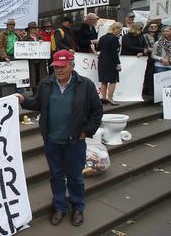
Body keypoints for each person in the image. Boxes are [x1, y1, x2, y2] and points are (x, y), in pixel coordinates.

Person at [17, 50, 103, 227]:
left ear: (72, 65)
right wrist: (23, 100)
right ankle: (59, 207)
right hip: (51, 140)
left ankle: (77, 207)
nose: (59, 70)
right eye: (56, 67)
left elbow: (97, 111)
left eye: (62, 67)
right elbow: (38, 104)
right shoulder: (46, 83)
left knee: (75, 177)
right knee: (55, 175)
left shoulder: (85, 85)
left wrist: (87, 131)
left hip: (74, 141)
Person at [98, 22, 123, 106]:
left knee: (103, 81)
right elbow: (114, 53)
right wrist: (118, 64)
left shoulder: (102, 37)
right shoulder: (114, 38)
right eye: (120, 29)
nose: (120, 31)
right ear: (115, 29)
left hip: (101, 61)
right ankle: (110, 98)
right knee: (113, 80)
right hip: (111, 62)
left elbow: (99, 48)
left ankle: (104, 98)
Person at [21, 21, 48, 95]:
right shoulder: (25, 38)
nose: (35, 30)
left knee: (41, 75)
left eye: (36, 28)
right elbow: (22, 49)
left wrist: (43, 42)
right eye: (33, 28)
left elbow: (46, 46)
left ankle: (41, 91)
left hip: (40, 61)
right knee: (33, 76)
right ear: (29, 29)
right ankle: (35, 92)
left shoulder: (40, 37)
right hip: (31, 61)